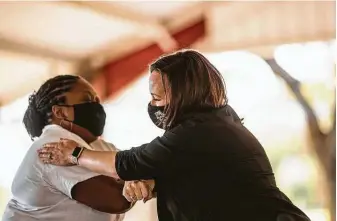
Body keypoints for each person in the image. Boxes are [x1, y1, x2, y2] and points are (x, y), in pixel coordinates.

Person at [38, 50, 311, 221]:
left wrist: (75, 154)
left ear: (183, 95)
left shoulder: (201, 131)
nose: (153, 105)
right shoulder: (218, 123)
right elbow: (202, 179)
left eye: (157, 97)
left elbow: (128, 162)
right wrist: (154, 184)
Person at [2, 75, 154, 221]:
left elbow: (139, 168)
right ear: (60, 112)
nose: (97, 105)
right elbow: (115, 198)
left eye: (97, 100)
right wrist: (134, 181)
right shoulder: (52, 146)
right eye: (88, 99)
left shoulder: (99, 146)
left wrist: (138, 178)